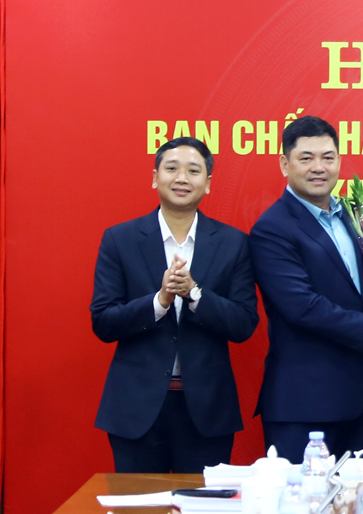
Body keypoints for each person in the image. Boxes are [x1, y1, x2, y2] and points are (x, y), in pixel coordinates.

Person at [249, 116, 363, 462]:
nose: (319, 167)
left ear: (339, 162)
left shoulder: (351, 216)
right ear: (285, 164)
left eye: (328, 157)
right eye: (306, 158)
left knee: (354, 495)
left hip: (354, 400)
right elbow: (302, 307)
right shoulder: (272, 228)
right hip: (302, 405)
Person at [91, 137, 259, 473]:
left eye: (193, 171)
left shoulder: (233, 243)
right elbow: (104, 322)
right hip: (136, 407)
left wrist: (195, 295)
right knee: (140, 502)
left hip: (207, 410)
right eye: (172, 168)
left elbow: (244, 323)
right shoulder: (120, 239)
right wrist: (160, 301)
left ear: (207, 183)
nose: (182, 178)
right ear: (155, 178)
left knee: (201, 501)